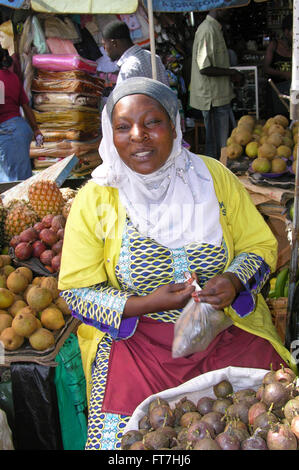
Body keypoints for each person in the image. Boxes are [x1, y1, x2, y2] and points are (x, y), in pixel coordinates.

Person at [58, 77, 295, 450]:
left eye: (152, 122)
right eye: (123, 127)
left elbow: (258, 245)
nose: (138, 136)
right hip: (138, 346)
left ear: (173, 125)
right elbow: (77, 293)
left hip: (225, 331)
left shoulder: (212, 177)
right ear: (110, 133)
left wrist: (234, 280)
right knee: (125, 441)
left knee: (278, 413)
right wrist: (149, 304)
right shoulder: (96, 199)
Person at [189, 10, 243, 159]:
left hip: (219, 96)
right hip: (212, 98)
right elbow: (205, 67)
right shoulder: (207, 30)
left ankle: (220, 173)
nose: (230, 12)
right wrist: (231, 73)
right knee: (216, 147)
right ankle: (214, 177)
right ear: (218, 7)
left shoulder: (214, 29)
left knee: (223, 146)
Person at [0, 48, 43, 182]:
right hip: (18, 128)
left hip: (9, 131)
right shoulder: (12, 77)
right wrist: (36, 129)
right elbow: (25, 105)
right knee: (20, 178)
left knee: (14, 183)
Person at [101, 20, 169, 86]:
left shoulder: (127, 70)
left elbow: (125, 97)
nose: (104, 49)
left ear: (114, 43)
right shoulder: (153, 57)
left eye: (104, 45)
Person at [263, 14, 292, 117]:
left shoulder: (296, 46)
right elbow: (266, 69)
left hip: (292, 92)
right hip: (276, 92)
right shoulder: (274, 45)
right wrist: (284, 74)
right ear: (286, 31)